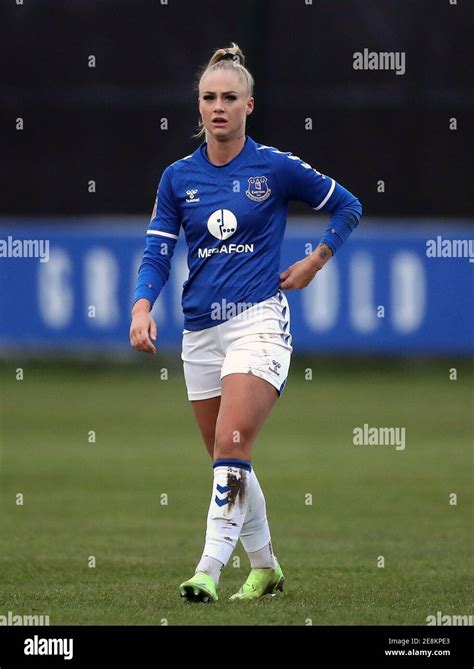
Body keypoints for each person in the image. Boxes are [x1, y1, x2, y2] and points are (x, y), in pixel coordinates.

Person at [130, 42, 362, 603]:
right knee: (226, 460)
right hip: (200, 331)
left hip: (259, 322)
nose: (217, 107)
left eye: (229, 97)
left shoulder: (274, 167)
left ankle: (207, 570)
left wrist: (315, 259)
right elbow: (158, 251)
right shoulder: (177, 177)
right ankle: (266, 568)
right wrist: (142, 305)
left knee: (232, 443)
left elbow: (348, 204)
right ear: (199, 106)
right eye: (208, 97)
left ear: (249, 105)